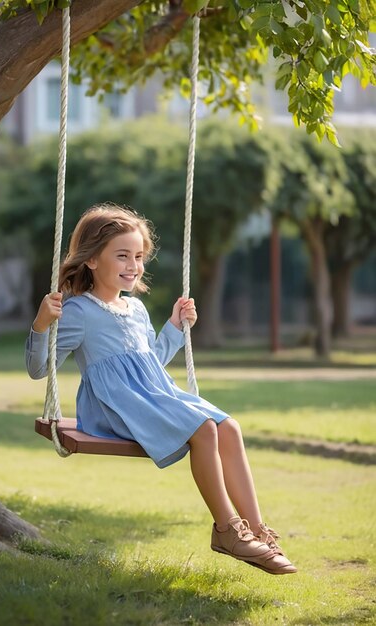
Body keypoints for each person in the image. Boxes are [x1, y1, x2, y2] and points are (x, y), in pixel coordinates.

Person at [25, 203, 297, 576]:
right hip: (116, 408)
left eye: (138, 256)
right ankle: (227, 529)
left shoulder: (135, 309)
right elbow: (40, 369)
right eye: (122, 256)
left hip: (153, 396)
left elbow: (149, 360)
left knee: (227, 427)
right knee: (203, 430)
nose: (133, 266)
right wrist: (41, 325)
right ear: (91, 260)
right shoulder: (77, 312)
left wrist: (173, 327)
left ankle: (257, 531)